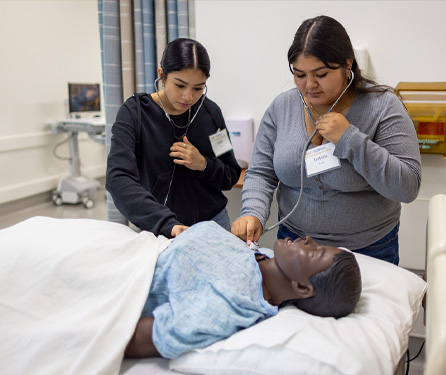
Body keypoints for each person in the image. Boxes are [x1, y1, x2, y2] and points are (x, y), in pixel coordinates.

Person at [231, 15, 421, 265]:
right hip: (294, 244)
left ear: (347, 65)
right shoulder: (282, 108)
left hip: (368, 250)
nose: (309, 85)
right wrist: (253, 213)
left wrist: (350, 140)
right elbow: (261, 173)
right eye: (299, 74)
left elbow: (407, 187)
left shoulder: (383, 107)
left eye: (320, 74)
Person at [124, 220, 362, 359]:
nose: (308, 239)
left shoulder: (231, 302)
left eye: (315, 251)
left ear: (301, 287)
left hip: (121, 275)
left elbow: (127, 335)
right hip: (130, 243)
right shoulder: (264, 257)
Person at [106, 38, 241, 238]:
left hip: (213, 224)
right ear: (162, 76)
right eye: (180, 85)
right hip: (158, 229)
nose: (188, 96)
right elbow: (118, 179)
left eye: (198, 88)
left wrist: (203, 164)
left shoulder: (210, 113)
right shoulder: (135, 113)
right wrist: (167, 224)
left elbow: (230, 174)